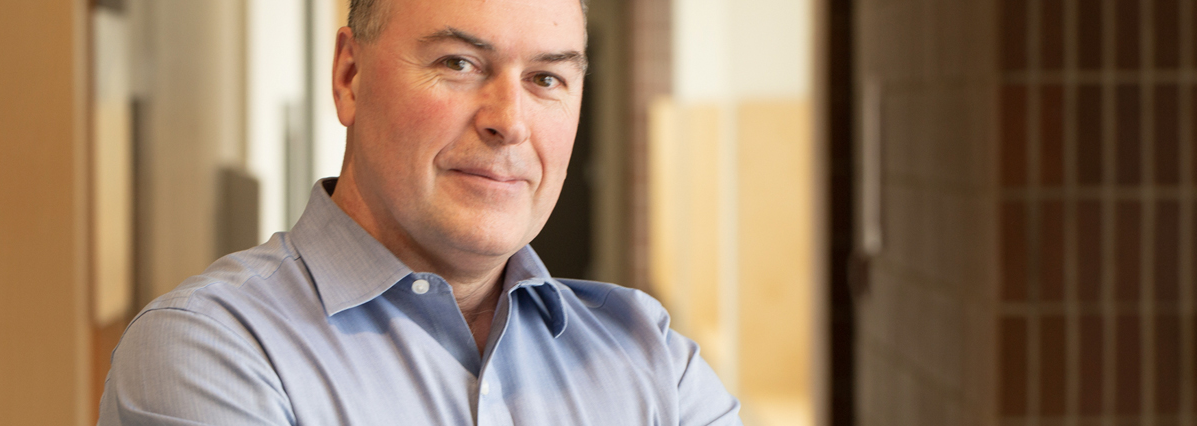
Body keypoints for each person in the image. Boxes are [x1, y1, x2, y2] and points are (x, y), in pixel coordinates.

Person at [96, 0, 741, 424]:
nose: (509, 122)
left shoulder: (652, 358)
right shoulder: (211, 351)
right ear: (351, 76)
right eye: (459, 63)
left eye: (546, 79)